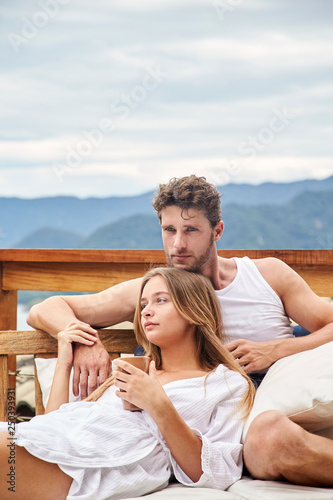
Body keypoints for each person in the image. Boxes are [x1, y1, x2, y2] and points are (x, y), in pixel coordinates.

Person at [27, 175, 333, 486]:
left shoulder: (266, 276)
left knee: (270, 437)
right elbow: (45, 309)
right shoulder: (152, 291)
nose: (178, 245)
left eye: (191, 230)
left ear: (217, 231)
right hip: (186, 424)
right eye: (169, 230)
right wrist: (84, 340)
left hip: (255, 409)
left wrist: (277, 349)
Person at [0, 267, 255, 500]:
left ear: (193, 311)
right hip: (62, 444)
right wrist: (64, 363)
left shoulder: (226, 384)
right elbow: (54, 425)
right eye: (143, 304)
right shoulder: (129, 370)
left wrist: (157, 403)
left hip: (100, 463)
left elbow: (216, 471)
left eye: (161, 300)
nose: (146, 311)